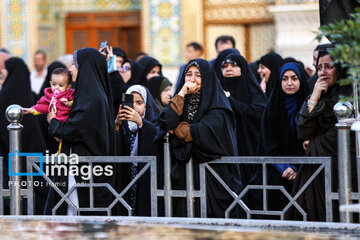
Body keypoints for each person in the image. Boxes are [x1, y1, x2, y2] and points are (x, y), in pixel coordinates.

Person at [157, 59, 243, 218]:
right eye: (188, 74)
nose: (192, 79)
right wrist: (181, 94)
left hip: (213, 178)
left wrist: (177, 130)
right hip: (184, 179)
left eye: (198, 75)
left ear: (207, 78)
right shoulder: (181, 100)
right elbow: (166, 121)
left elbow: (199, 132)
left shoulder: (219, 106)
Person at [46, 48, 116, 215]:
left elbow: (73, 129)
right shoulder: (92, 94)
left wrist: (53, 121)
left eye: (75, 64)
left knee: (77, 216)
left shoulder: (91, 98)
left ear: (85, 67)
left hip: (84, 172)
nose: (70, 69)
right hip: (87, 169)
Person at [290, 49, 354, 221]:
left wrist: (314, 143)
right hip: (321, 173)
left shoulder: (352, 95)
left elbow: (343, 136)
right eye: (319, 67)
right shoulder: (321, 93)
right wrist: (315, 96)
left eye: (329, 66)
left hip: (347, 173)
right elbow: (302, 131)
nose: (323, 72)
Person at [256, 62, 310, 214]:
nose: (289, 83)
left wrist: (295, 166)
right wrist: (285, 167)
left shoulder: (310, 107)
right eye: (285, 79)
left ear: (301, 80)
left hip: (305, 172)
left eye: (294, 78)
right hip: (276, 173)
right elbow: (267, 144)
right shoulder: (272, 108)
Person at [0, 57, 47, 214]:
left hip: (8, 154)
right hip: (30, 151)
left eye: (5, 69)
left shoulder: (6, 95)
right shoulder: (28, 94)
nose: (3, 72)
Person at [115, 85, 161, 216]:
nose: (134, 107)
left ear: (147, 105)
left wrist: (141, 123)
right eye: (131, 102)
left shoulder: (155, 120)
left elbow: (157, 138)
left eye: (139, 103)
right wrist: (117, 125)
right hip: (127, 181)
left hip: (146, 182)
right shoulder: (124, 125)